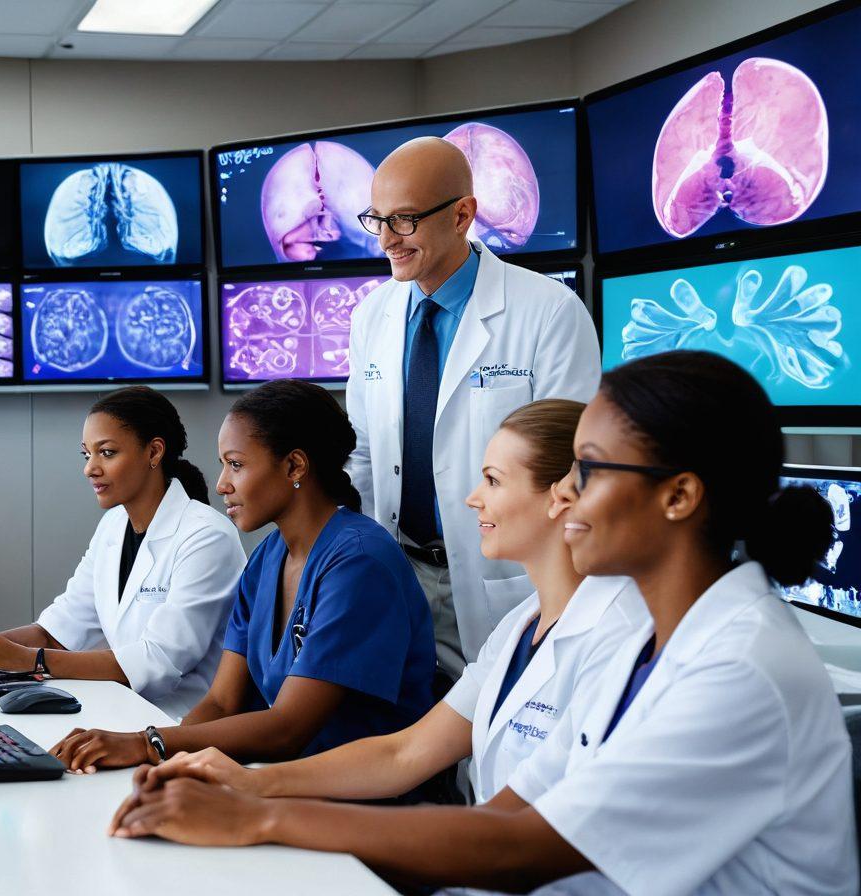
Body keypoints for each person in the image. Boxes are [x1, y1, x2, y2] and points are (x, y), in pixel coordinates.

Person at [107, 351, 858, 896]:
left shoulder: (738, 669)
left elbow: (520, 846)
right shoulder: (641, 639)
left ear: (679, 496)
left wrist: (256, 818)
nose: (568, 499)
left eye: (587, 473)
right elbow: (501, 804)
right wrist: (253, 795)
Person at [114, 398, 647, 809]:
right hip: (381, 818)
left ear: (561, 496)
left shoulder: (621, 636)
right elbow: (405, 753)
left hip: (403, 827)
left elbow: (516, 826)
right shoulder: (518, 628)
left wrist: (174, 756)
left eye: (492, 480)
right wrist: (243, 783)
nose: (471, 498)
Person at [47, 380, 437, 774]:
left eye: (236, 464)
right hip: (279, 777)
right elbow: (221, 703)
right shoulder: (267, 558)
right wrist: (163, 765)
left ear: (294, 466)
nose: (221, 485)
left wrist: (148, 744)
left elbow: (288, 728)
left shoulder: (359, 562)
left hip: (358, 795)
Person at [347, 136, 602, 684]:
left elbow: (573, 463)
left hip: (507, 577)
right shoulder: (372, 315)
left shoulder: (549, 312)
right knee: (408, 737)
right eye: (378, 219)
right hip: (399, 571)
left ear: (463, 214)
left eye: (406, 220)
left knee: (497, 744)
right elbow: (362, 455)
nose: (386, 240)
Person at [0, 386, 246, 721]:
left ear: (153, 452)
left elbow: (157, 662)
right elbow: (57, 632)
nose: (90, 468)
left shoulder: (207, 536)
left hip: (180, 724)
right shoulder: (113, 526)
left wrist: (29, 659)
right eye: (87, 455)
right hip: (121, 711)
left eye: (106, 453)